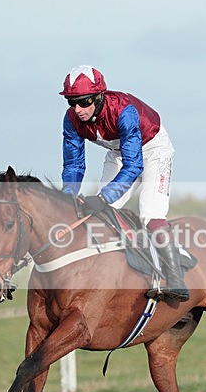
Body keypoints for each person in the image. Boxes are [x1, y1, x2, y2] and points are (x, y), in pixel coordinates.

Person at [59, 65, 189, 302]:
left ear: (99, 96)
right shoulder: (71, 120)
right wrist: (67, 197)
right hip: (119, 153)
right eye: (71, 102)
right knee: (101, 215)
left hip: (153, 150)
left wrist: (103, 197)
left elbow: (134, 166)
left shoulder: (123, 111)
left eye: (84, 102)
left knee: (151, 214)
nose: (77, 110)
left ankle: (175, 278)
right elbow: (74, 166)